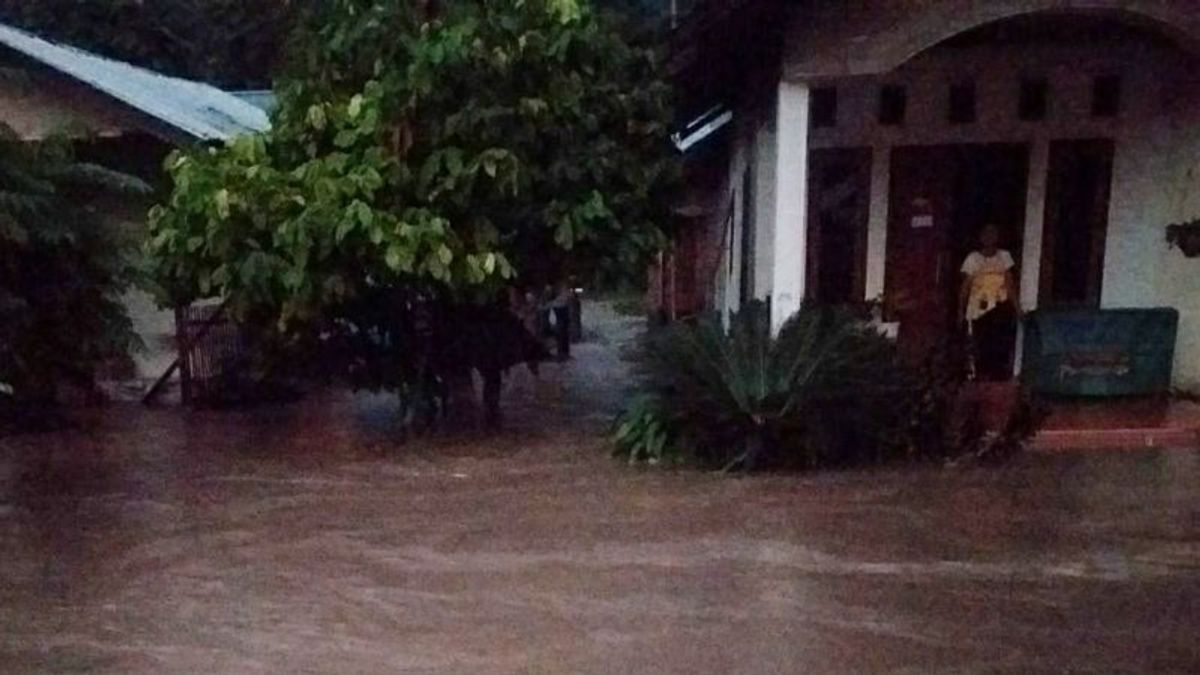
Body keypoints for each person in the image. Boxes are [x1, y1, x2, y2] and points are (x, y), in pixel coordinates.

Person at [959, 224, 1019, 381]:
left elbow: (1010, 284)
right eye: (986, 234)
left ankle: (997, 380)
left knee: (999, 346)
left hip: (999, 310)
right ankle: (978, 379)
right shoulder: (973, 259)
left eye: (993, 233)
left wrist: (1017, 308)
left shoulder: (1004, 256)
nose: (990, 237)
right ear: (980, 238)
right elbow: (965, 287)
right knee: (978, 347)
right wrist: (960, 311)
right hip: (978, 311)